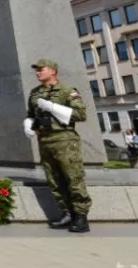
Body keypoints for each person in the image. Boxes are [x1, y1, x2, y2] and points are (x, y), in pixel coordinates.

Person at [25, 59, 92, 233]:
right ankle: (67, 213)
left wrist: (53, 107)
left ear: (53, 71)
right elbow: (31, 114)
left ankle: (81, 217)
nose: (38, 73)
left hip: (65, 140)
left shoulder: (67, 91)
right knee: (54, 181)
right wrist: (28, 123)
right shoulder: (34, 93)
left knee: (73, 178)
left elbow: (80, 114)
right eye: (37, 70)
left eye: (41, 69)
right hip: (45, 141)